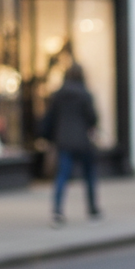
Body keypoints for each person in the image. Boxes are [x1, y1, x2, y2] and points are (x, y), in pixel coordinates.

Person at [41, 63, 100, 225]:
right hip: (82, 140)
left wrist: (49, 137)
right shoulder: (85, 94)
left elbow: (50, 118)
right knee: (89, 175)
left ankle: (57, 210)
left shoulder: (57, 95)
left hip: (63, 140)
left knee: (62, 176)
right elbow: (93, 118)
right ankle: (92, 207)